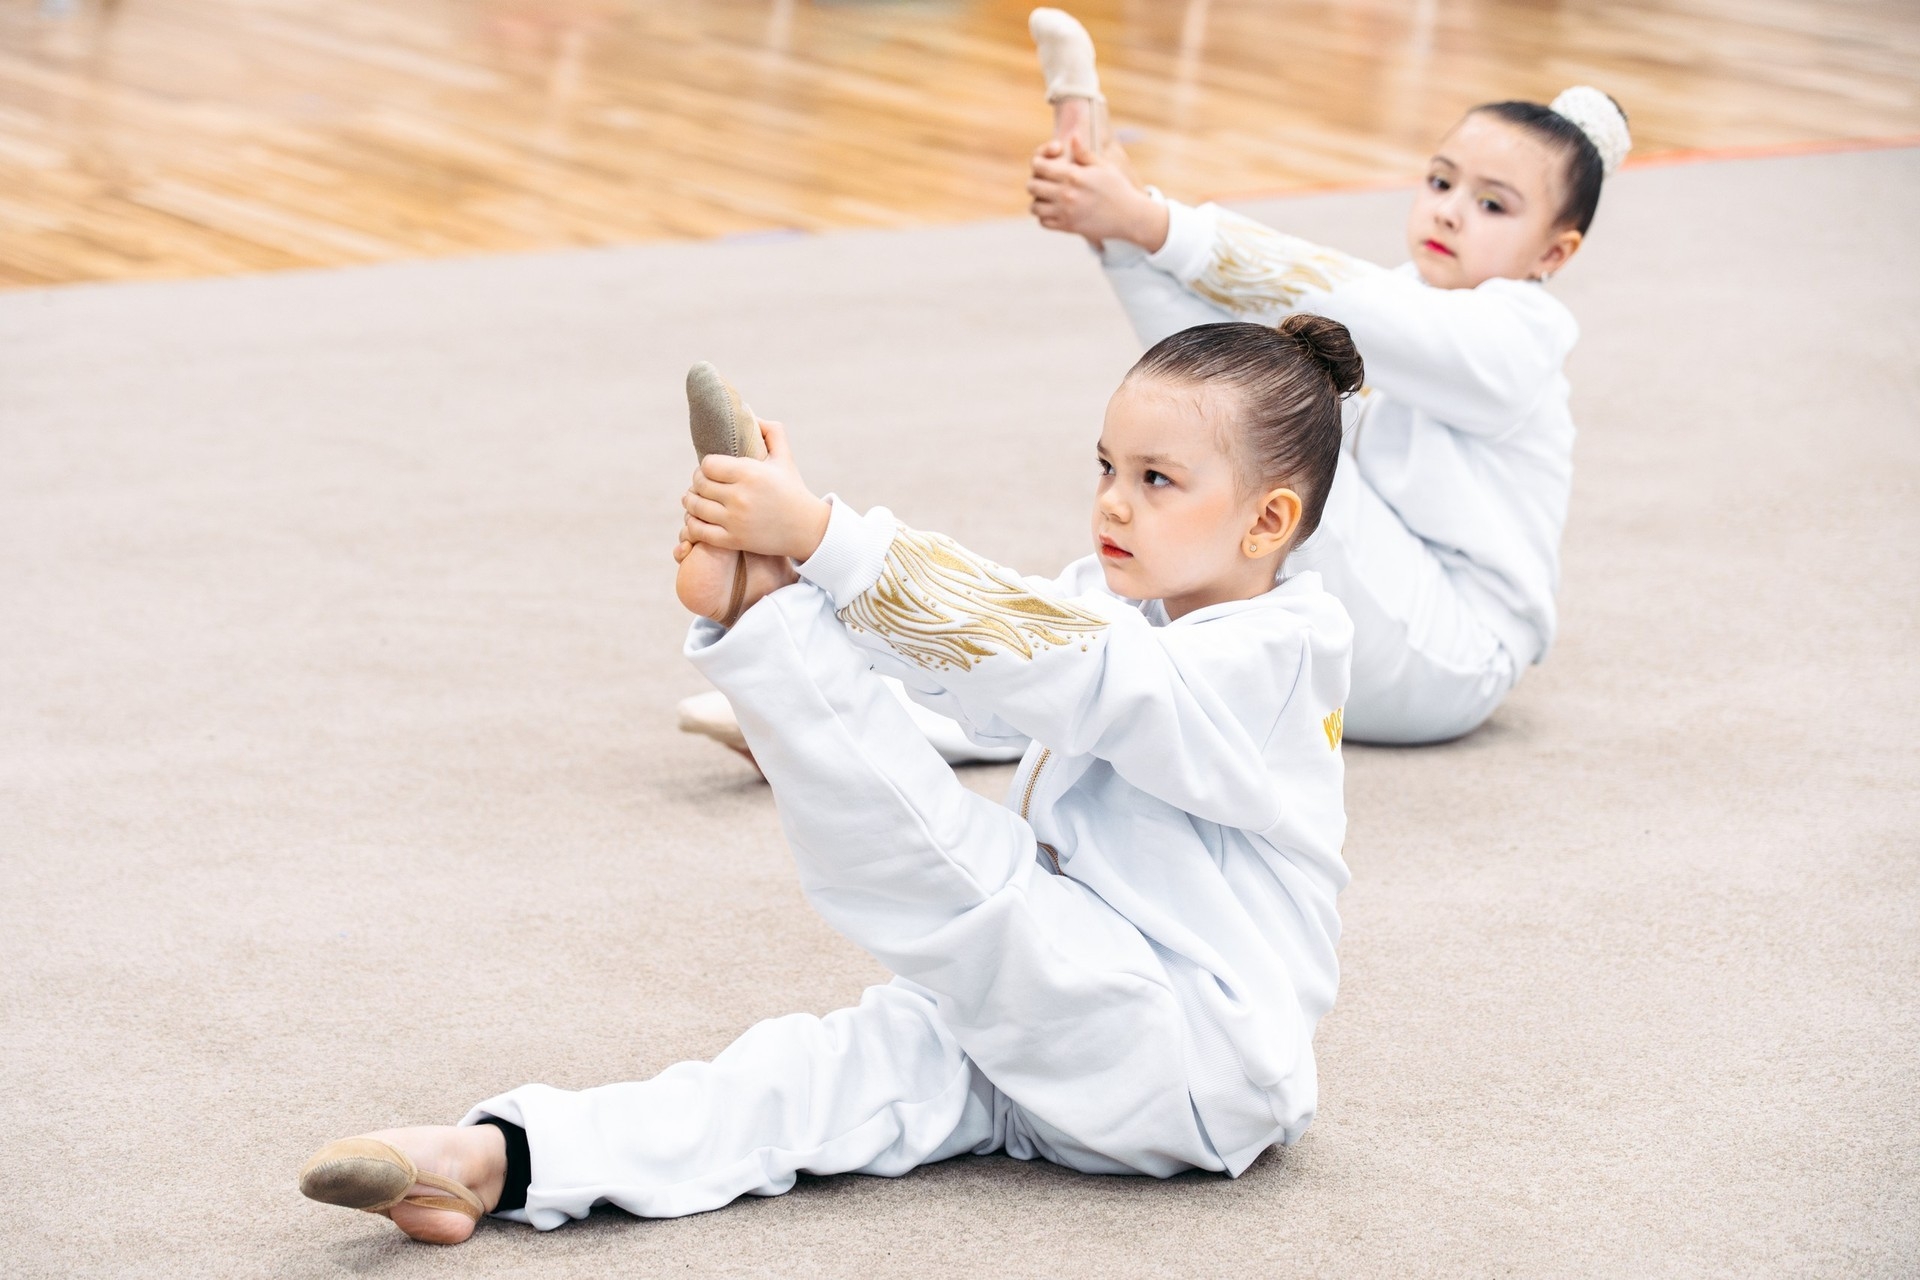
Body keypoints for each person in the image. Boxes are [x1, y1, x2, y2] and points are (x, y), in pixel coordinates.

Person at [295, 322, 1359, 1242]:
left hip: (1187, 1058)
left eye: (1156, 480)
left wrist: (821, 537)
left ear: (1267, 521)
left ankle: (766, 623)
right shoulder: (1120, 600)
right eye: (1106, 467)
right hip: (1051, 1036)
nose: (1113, 503)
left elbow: (1067, 664)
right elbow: (988, 692)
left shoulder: (1281, 657)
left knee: (961, 878)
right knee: (797, 1078)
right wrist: (820, 580)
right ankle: (495, 1159)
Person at [1025, 7, 1631, 744]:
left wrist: (1154, 222)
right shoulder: (1401, 299)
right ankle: (1000, 668)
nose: (1450, 213)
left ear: (1554, 254)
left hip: (1449, 662)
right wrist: (1125, 236)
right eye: (1440, 182)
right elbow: (1235, 369)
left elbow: (1350, 299)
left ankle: (1121, 215)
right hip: (1349, 615)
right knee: (1219, 421)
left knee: (1269, 445)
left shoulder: (1518, 342)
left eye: (1492, 204)